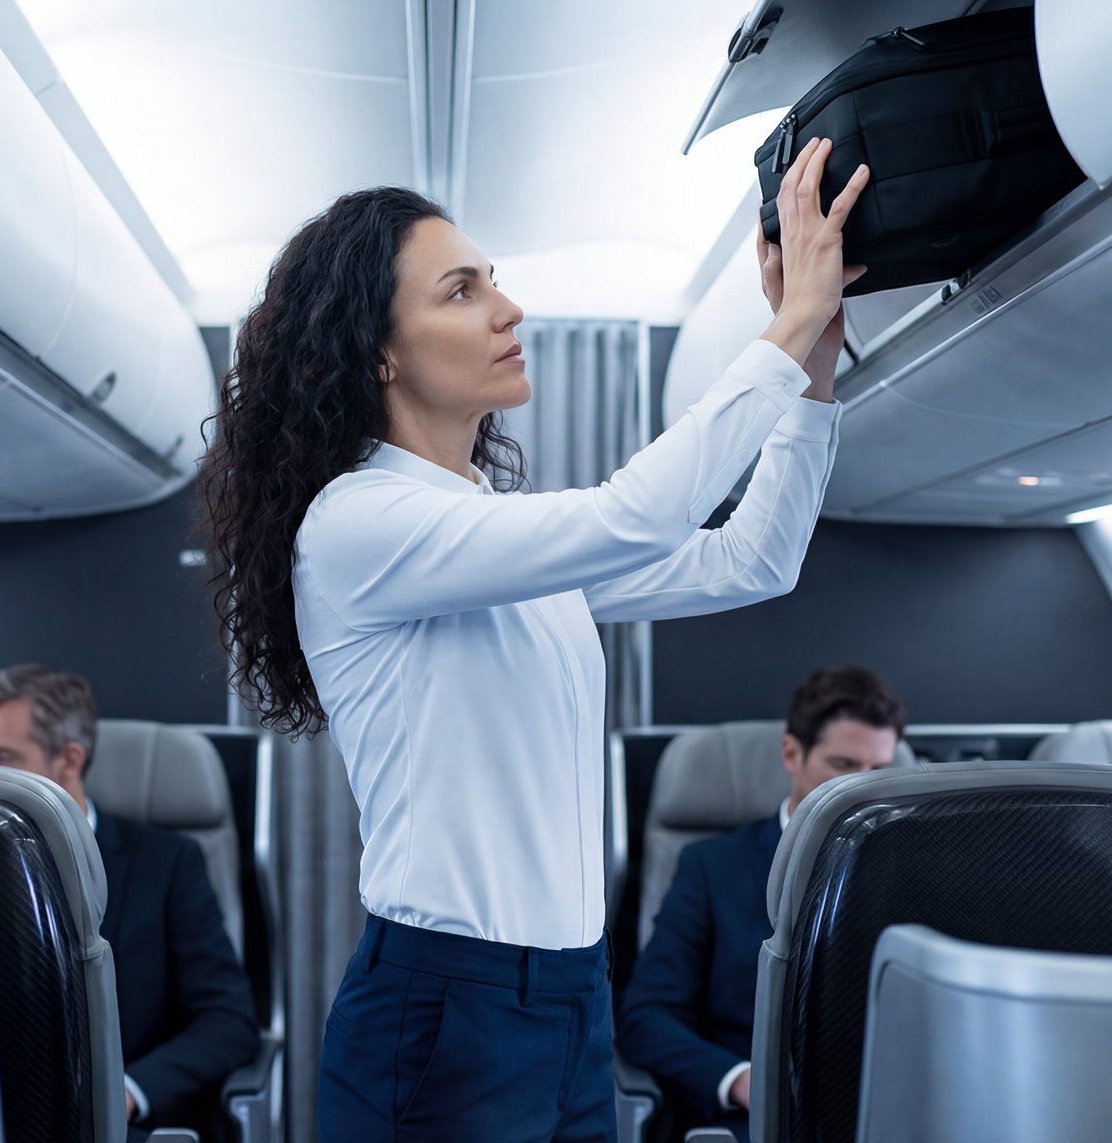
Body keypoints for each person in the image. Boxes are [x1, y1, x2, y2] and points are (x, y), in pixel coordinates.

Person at [198, 136, 868, 1142]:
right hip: (445, 1008)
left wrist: (810, 371)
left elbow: (750, 563)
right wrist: (783, 326)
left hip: (569, 994)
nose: (507, 311)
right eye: (461, 292)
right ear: (378, 349)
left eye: (493, 284)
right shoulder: (358, 522)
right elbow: (635, 516)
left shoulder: (489, 531)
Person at [0, 664, 259, 1143]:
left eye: (1, 756)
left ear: (69, 760)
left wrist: (124, 1093)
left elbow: (228, 1022)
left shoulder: (166, 864)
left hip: (118, 1124)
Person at [616, 666, 907, 1141]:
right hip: (755, 1118)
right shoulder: (713, 867)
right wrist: (740, 1081)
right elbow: (647, 1019)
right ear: (792, 753)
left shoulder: (911, 869)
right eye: (843, 766)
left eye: (879, 770)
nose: (862, 788)